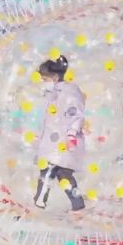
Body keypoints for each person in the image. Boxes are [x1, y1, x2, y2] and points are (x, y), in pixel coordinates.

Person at [33, 56, 86, 211]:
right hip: (53, 144)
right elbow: (50, 118)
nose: (43, 82)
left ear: (55, 77)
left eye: (45, 78)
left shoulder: (69, 92)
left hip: (64, 143)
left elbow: (75, 114)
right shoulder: (54, 93)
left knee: (61, 174)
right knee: (50, 172)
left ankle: (76, 205)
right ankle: (40, 202)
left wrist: (71, 135)